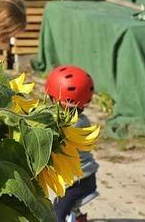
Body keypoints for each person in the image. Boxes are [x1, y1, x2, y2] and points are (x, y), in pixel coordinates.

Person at [45, 65, 99, 222]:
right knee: (64, 207)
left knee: (56, 214)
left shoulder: (68, 125)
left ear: (56, 98)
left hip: (77, 183)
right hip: (86, 179)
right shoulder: (82, 120)